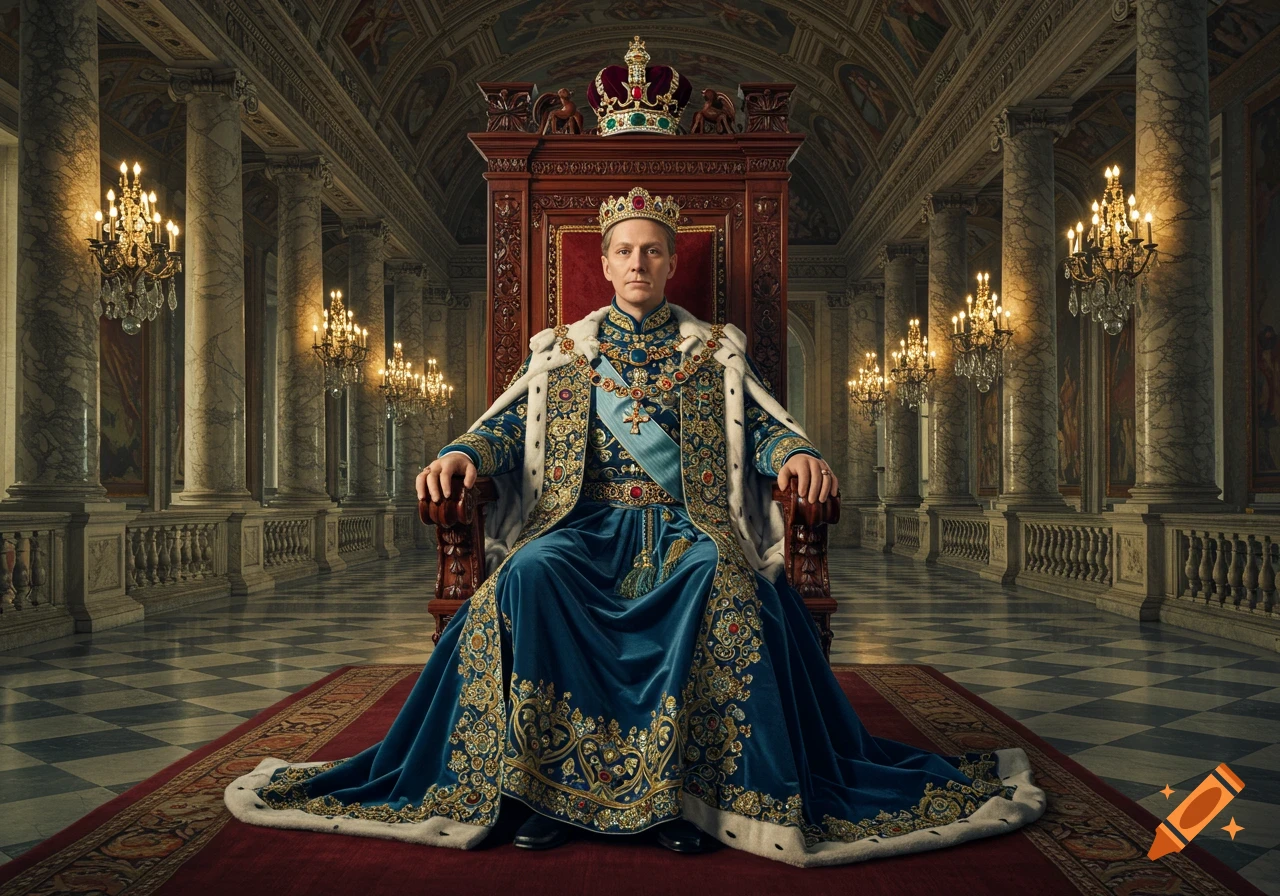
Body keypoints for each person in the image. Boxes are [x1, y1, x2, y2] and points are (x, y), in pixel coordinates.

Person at [225, 187, 1044, 866]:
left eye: (653, 251)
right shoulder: (562, 354)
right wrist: (462, 455)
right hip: (583, 528)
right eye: (624, 252)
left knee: (717, 583)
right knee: (530, 575)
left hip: (688, 528)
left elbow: (759, 428)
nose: (639, 264)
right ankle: (538, 792)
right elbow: (508, 429)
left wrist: (797, 453)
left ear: (669, 259)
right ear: (606, 261)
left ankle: (686, 796)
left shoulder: (713, 350)